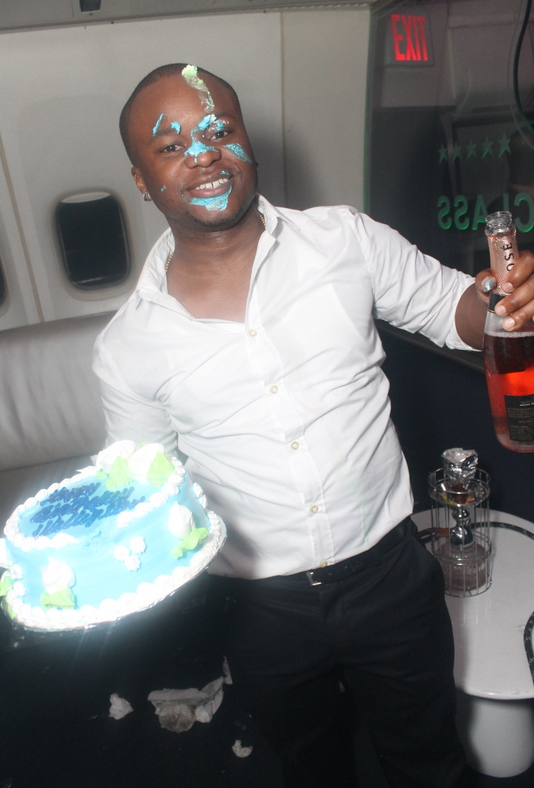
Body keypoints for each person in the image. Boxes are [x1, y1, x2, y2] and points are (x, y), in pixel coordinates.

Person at [93, 64, 534, 788]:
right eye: (171, 147)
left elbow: (452, 311)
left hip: (390, 574)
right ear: (141, 180)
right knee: (309, 763)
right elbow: (145, 487)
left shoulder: (344, 240)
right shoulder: (126, 347)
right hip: (257, 608)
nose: (203, 154)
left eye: (219, 130)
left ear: (248, 142)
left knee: (429, 758)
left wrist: (502, 301)